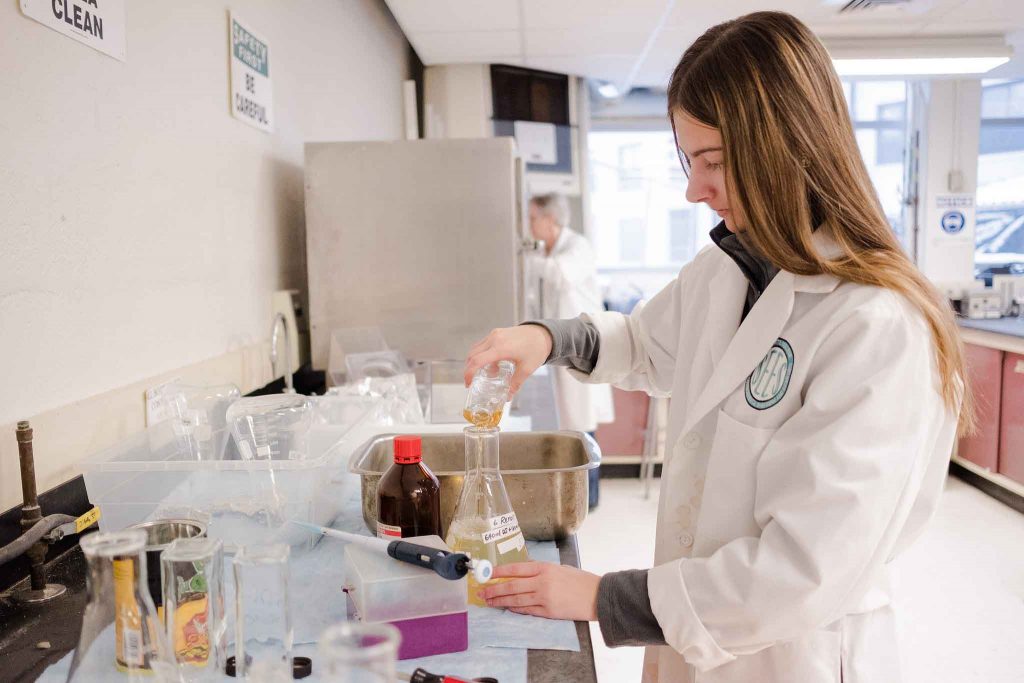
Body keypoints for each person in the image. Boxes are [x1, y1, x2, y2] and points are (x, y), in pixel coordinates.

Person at [462, 11, 972, 683]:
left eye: (714, 162)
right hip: (692, 634)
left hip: (794, 656)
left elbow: (802, 569)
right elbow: (642, 341)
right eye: (688, 161)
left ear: (789, 146)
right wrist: (545, 337)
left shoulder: (878, 325)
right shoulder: (731, 268)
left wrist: (599, 595)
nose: (692, 189)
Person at [526, 193, 614, 508]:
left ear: (551, 220)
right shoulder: (548, 250)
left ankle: (588, 498)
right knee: (567, 424)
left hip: (580, 346)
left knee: (582, 425)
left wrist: (523, 257)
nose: (529, 224)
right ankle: (571, 496)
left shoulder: (578, 246)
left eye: (533, 217)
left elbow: (561, 275)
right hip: (558, 351)